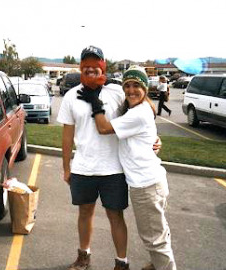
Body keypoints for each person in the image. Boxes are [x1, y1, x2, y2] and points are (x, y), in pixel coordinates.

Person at [77, 65, 177, 270]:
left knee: (154, 238)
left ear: (146, 88)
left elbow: (104, 128)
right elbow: (144, 137)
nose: (131, 90)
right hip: (153, 182)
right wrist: (155, 141)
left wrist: (95, 103)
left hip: (146, 186)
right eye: (127, 85)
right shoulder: (140, 109)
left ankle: (164, 266)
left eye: (136, 86)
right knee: (157, 232)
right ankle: (157, 263)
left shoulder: (139, 113)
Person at [57, 45, 130, 270]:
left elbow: (140, 116)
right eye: (85, 65)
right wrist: (66, 168)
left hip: (114, 169)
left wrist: (154, 141)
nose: (90, 69)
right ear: (81, 67)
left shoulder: (117, 93)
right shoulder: (71, 96)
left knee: (115, 215)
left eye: (95, 65)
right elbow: (67, 136)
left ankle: (121, 262)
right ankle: (84, 256)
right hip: (83, 168)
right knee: (85, 213)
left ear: (102, 67)